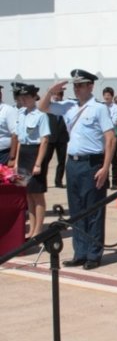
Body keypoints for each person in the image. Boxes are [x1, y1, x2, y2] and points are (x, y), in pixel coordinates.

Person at [39, 69, 116, 270]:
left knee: (94, 210)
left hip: (92, 163)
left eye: (81, 85)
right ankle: (80, 253)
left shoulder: (98, 108)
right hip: (73, 164)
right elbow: (42, 107)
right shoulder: (68, 106)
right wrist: (50, 90)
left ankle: (93, 254)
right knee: (77, 210)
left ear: (90, 86)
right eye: (75, 85)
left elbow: (110, 138)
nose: (77, 88)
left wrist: (106, 166)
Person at [15, 84, 51, 239]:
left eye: (26, 97)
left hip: (35, 153)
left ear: (33, 97)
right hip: (23, 153)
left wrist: (38, 163)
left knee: (37, 194)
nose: (23, 100)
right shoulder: (21, 113)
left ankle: (39, 229)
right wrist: (16, 161)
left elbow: (44, 141)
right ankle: (32, 229)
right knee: (28, 194)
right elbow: (19, 141)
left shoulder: (41, 116)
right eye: (21, 97)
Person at [44, 90, 69, 188]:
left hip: (62, 138)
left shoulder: (65, 108)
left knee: (61, 161)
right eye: (55, 95)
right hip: (51, 138)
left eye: (58, 95)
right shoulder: (50, 107)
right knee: (46, 160)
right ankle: (43, 181)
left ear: (61, 96)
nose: (56, 97)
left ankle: (58, 182)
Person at [103, 87, 117, 190]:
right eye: (105, 95)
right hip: (103, 138)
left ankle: (114, 182)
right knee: (104, 160)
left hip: (112, 136)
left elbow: (114, 122)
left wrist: (104, 121)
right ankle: (105, 181)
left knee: (114, 160)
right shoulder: (100, 107)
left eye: (108, 95)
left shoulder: (115, 108)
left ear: (112, 96)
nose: (106, 97)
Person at [0, 85, 18, 166]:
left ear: (0, 94)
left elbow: (15, 134)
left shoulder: (8, 110)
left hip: (4, 153)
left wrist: (12, 157)